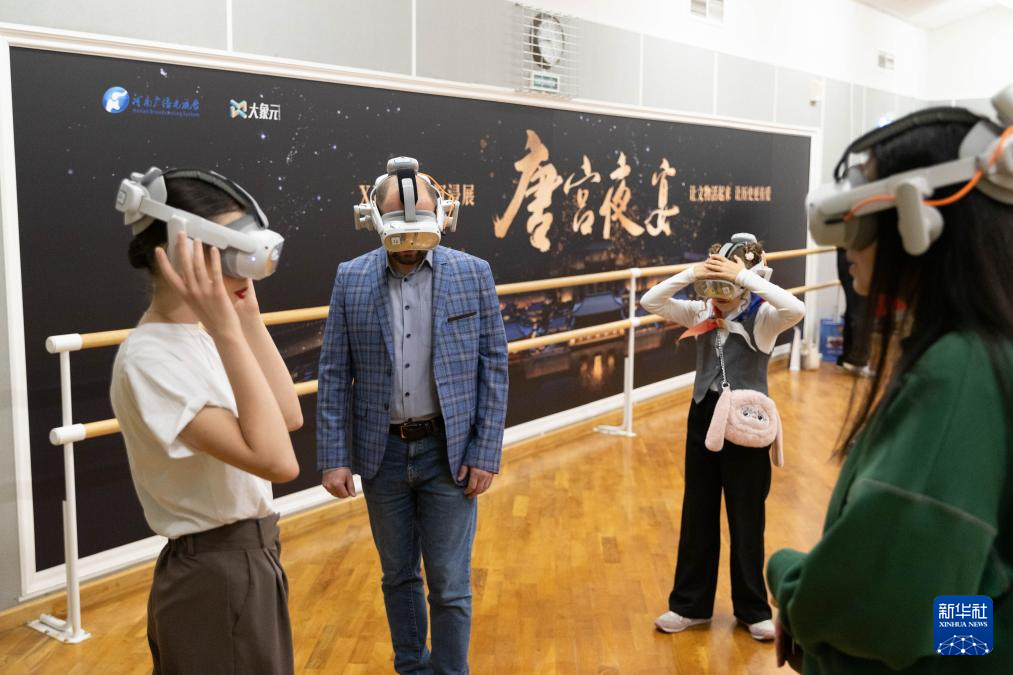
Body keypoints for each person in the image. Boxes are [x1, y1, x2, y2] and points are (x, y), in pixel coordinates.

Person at [768, 104, 1013, 672]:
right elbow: (966, 605)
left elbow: (882, 613)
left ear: (916, 218)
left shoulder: (961, 371)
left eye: (863, 216)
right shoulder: (989, 352)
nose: (847, 243)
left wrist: (791, 580)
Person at [317, 158, 508, 674]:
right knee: (398, 577)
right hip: (381, 456)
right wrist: (334, 457)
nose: (409, 233)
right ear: (371, 218)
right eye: (397, 220)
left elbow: (493, 365)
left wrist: (485, 451)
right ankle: (411, 668)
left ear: (443, 215)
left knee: (449, 583)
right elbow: (334, 371)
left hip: (449, 453)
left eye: (420, 217)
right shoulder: (351, 278)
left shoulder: (472, 273)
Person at [109, 169, 302, 674]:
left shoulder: (199, 336)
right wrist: (226, 329)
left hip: (249, 558)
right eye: (230, 249)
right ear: (177, 251)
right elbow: (278, 462)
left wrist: (245, 319)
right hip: (216, 572)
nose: (245, 264)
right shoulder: (149, 359)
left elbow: (287, 416)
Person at [640, 234, 805, 641]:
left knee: (747, 517)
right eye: (713, 283)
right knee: (697, 511)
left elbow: (796, 308)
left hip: (747, 424)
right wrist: (692, 273)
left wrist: (745, 278)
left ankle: (753, 610)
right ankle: (689, 605)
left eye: (726, 283)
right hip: (703, 416)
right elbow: (651, 302)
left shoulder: (764, 317)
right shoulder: (701, 310)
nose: (719, 292)